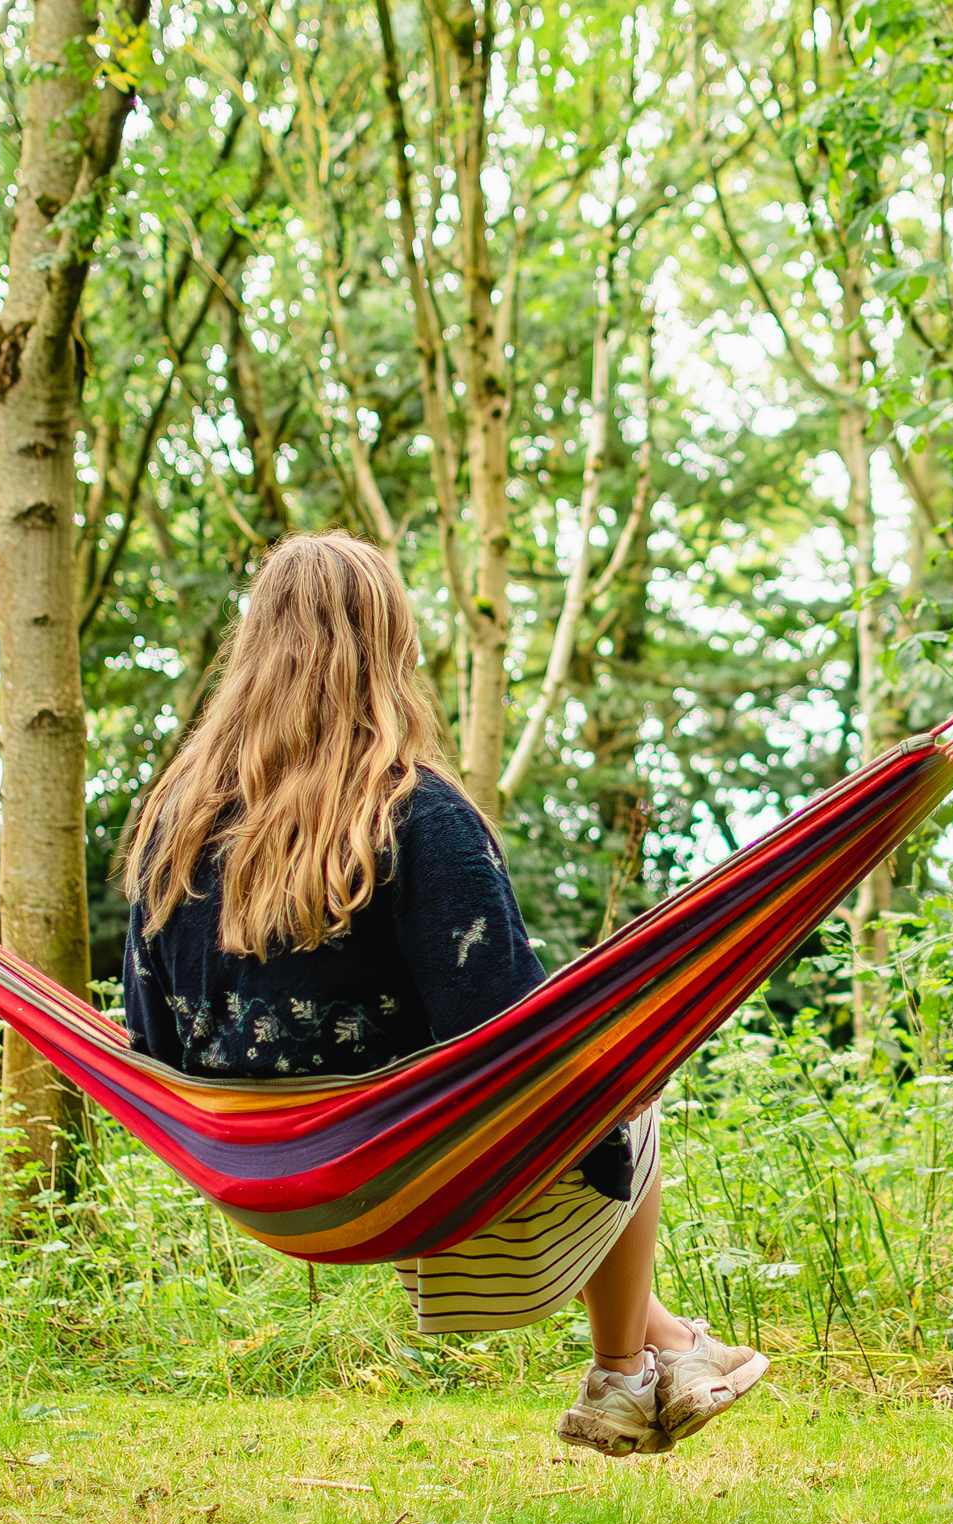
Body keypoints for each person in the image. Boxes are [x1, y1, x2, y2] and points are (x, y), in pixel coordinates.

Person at [117, 530, 765, 1457]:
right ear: (390, 652)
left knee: (608, 1073)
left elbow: (149, 1041)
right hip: (400, 1158)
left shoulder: (171, 833)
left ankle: (664, 1348)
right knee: (628, 1072)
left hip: (261, 1172)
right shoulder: (416, 814)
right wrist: (623, 1053)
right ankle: (628, 1369)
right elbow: (510, 1037)